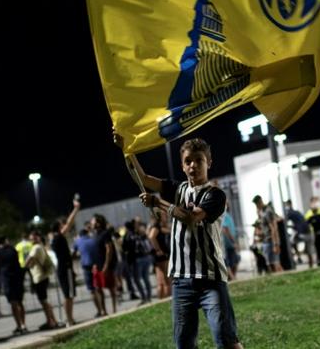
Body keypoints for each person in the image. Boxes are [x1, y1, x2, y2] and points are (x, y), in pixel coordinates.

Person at [121, 133, 243, 349]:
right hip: (181, 281)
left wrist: (159, 203)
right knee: (184, 344)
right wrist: (126, 150)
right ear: (182, 165)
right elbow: (143, 178)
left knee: (226, 341)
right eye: (188, 161)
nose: (193, 165)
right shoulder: (177, 189)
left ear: (209, 162)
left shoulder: (215, 194)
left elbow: (191, 218)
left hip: (210, 279)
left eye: (199, 160)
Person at [48, 194, 82, 325]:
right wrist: (76, 209)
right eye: (62, 225)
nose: (64, 226)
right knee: (69, 295)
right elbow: (69, 223)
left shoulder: (53, 239)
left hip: (62, 268)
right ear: (59, 227)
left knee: (68, 295)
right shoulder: (58, 237)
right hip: (65, 268)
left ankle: (70, 319)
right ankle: (69, 320)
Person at [25, 232, 60, 330]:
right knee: (44, 301)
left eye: (33, 238)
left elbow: (28, 260)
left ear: (38, 238)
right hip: (42, 276)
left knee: (44, 301)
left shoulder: (36, 248)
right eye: (31, 239)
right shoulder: (40, 247)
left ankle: (51, 322)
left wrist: (25, 265)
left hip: (39, 277)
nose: (32, 240)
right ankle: (53, 321)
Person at [0, 237, 27, 333]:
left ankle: (19, 325)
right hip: (17, 277)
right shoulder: (13, 250)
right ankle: (24, 324)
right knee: (20, 302)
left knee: (13, 303)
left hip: (7, 279)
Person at [253, 195, 282, 273]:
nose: (256, 207)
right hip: (266, 240)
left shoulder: (268, 211)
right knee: (270, 265)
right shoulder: (261, 212)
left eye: (257, 204)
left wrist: (275, 244)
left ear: (260, 202)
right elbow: (264, 227)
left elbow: (274, 228)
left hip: (271, 240)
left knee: (276, 264)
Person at [148, 213, 172, 297]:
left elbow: (168, 231)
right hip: (162, 256)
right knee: (166, 280)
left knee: (161, 280)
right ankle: (167, 298)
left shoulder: (158, 226)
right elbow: (151, 237)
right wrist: (158, 250)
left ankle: (162, 299)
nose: (166, 216)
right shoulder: (156, 226)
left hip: (160, 256)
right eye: (164, 215)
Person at [284, 200, 314, 267]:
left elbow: (284, 223)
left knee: (290, 242)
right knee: (309, 251)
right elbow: (299, 223)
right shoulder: (297, 212)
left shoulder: (290, 213)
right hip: (308, 232)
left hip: (302, 234)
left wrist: (290, 227)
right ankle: (310, 265)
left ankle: (298, 256)